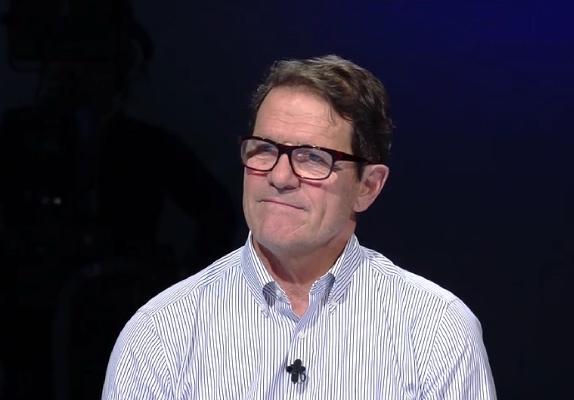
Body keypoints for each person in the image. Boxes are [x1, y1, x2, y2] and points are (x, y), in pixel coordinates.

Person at [102, 54, 496, 399]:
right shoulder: (161, 331)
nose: (280, 177)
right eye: (265, 150)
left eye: (312, 157)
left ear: (367, 187)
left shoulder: (435, 330)